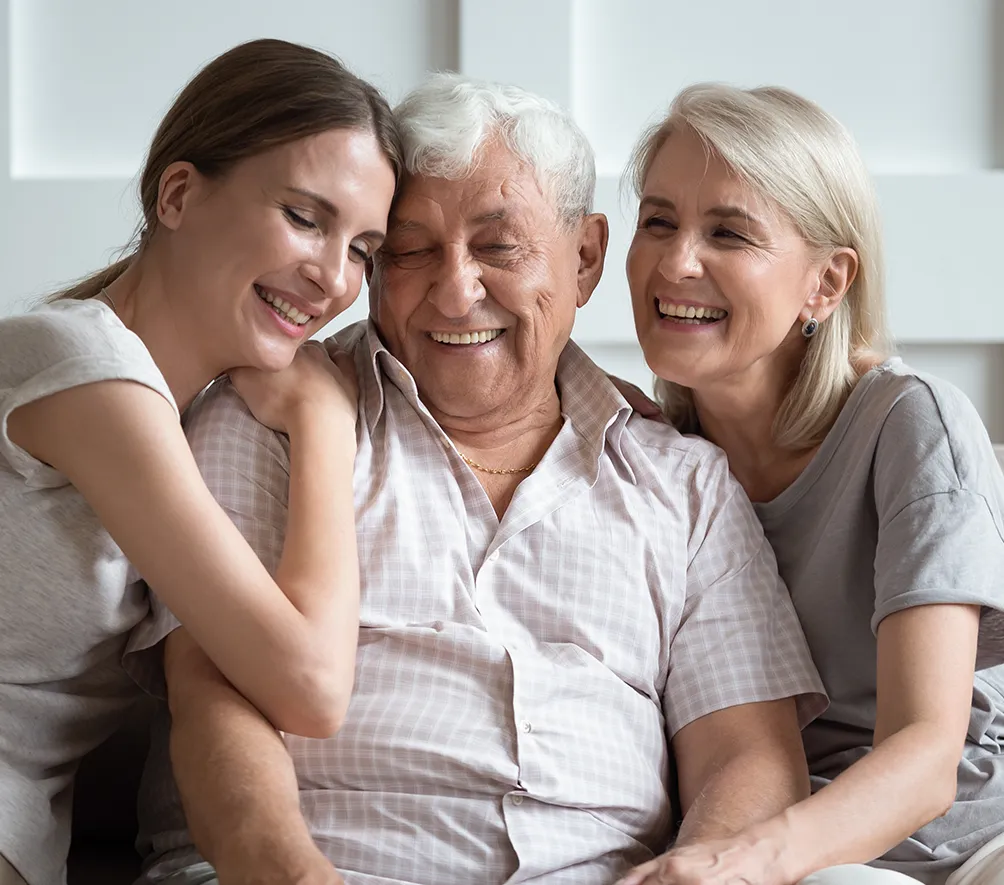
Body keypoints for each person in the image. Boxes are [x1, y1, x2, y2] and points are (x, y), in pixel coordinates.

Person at [132, 74, 826, 885]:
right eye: (411, 251)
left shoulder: (686, 484)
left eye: (499, 248)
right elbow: (213, 698)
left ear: (585, 258)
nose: (456, 292)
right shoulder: (267, 414)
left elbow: (748, 751)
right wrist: (291, 874)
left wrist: (701, 869)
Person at [0, 39, 400, 885]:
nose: (334, 278)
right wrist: (324, 423)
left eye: (364, 248)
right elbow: (313, 685)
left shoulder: (189, 420)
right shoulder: (83, 369)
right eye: (304, 216)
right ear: (178, 194)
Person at [620, 83, 1004, 885]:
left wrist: (743, 858)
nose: (675, 260)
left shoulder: (911, 424)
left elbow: (928, 754)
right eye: (658, 220)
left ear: (825, 285)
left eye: (728, 232)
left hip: (963, 841)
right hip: (779, 845)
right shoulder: (651, 458)